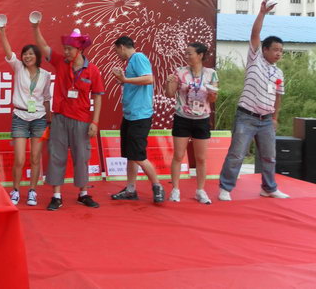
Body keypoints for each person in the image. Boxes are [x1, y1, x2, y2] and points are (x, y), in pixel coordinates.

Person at [219, 0, 289, 200]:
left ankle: (268, 188)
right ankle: (225, 188)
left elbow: (278, 96)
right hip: (246, 117)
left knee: (269, 157)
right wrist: (262, 13)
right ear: (264, 49)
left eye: (281, 51)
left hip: (266, 120)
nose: (278, 53)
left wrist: (275, 117)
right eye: (275, 49)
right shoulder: (255, 59)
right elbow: (255, 34)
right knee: (237, 154)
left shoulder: (278, 72)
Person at [33, 24, 104, 211]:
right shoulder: (60, 62)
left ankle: (83, 194)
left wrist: (95, 122)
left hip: (81, 120)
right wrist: (36, 27)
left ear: (79, 49)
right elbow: (43, 46)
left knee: (82, 157)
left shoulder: (93, 70)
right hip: (60, 118)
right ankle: (56, 196)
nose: (65, 52)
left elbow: (97, 97)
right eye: (64, 48)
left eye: (69, 49)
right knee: (56, 156)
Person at [0, 25, 51, 206]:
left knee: (35, 158)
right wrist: (2, 32)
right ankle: (15, 190)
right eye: (25, 54)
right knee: (19, 159)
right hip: (20, 117)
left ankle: (32, 191)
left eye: (31, 54)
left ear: (37, 57)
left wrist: (49, 120)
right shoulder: (18, 67)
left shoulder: (45, 75)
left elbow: (46, 98)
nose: (27, 57)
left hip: (39, 119)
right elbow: (8, 51)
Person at [110, 36, 165, 204]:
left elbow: (149, 79)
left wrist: (125, 79)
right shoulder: (131, 62)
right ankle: (130, 189)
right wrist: (122, 81)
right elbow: (136, 84)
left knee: (138, 155)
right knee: (130, 155)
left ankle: (157, 185)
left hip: (140, 116)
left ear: (122, 47)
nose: (117, 54)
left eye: (116, 51)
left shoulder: (138, 57)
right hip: (130, 114)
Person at [165, 42, 218, 204]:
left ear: (200, 55)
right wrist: (169, 82)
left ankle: (200, 190)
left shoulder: (211, 74)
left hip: (202, 119)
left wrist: (212, 94)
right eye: (186, 53)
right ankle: (175, 189)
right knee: (178, 155)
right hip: (182, 118)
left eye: (190, 53)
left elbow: (213, 99)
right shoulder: (180, 71)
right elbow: (170, 94)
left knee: (200, 158)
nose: (186, 56)